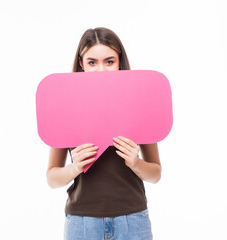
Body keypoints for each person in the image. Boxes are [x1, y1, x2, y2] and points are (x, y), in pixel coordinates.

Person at [46, 27, 161, 240]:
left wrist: (136, 163)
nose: (101, 70)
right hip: (82, 222)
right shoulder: (66, 107)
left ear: (120, 62)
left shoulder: (139, 104)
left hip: (132, 220)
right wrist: (75, 167)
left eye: (109, 61)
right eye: (92, 62)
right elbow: (52, 178)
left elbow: (155, 174)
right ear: (81, 64)